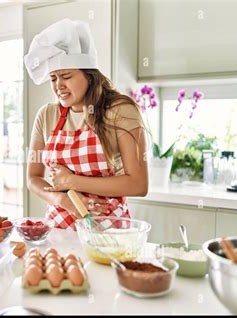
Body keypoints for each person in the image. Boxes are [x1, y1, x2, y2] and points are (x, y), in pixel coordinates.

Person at [24, 18, 148, 231]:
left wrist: (72, 181)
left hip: (108, 231)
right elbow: (33, 178)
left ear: (90, 76)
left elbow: (138, 184)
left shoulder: (120, 111)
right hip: (59, 229)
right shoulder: (47, 115)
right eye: (53, 78)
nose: (58, 86)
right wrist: (61, 200)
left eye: (66, 76)